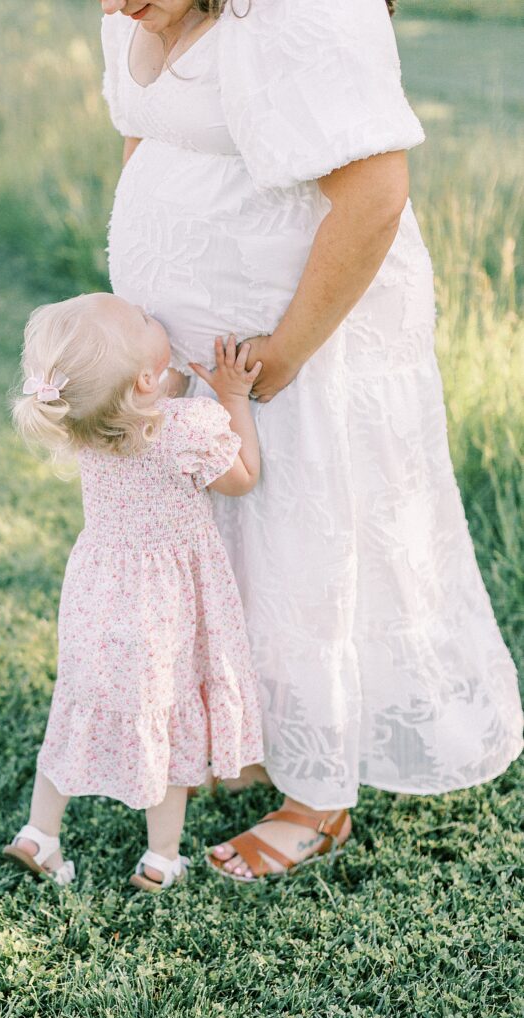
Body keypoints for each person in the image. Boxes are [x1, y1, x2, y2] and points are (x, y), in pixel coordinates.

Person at [99, 0, 524, 881]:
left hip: (305, 345)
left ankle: (316, 800)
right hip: (195, 351)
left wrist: (283, 353)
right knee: (221, 544)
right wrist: (147, 315)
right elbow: (148, 140)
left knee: (306, 538)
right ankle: (251, 742)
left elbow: (372, 193)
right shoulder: (135, 9)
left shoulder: (305, 7)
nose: (109, 4)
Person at [3, 293, 264, 890]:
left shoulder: (88, 425)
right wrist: (230, 397)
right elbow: (243, 478)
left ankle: (39, 834)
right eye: (145, 319)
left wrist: (157, 384)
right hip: (161, 605)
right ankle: (161, 858)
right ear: (146, 379)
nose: (153, 312)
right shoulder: (183, 430)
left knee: (79, 705)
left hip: (98, 594)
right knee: (166, 717)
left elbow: (138, 401)